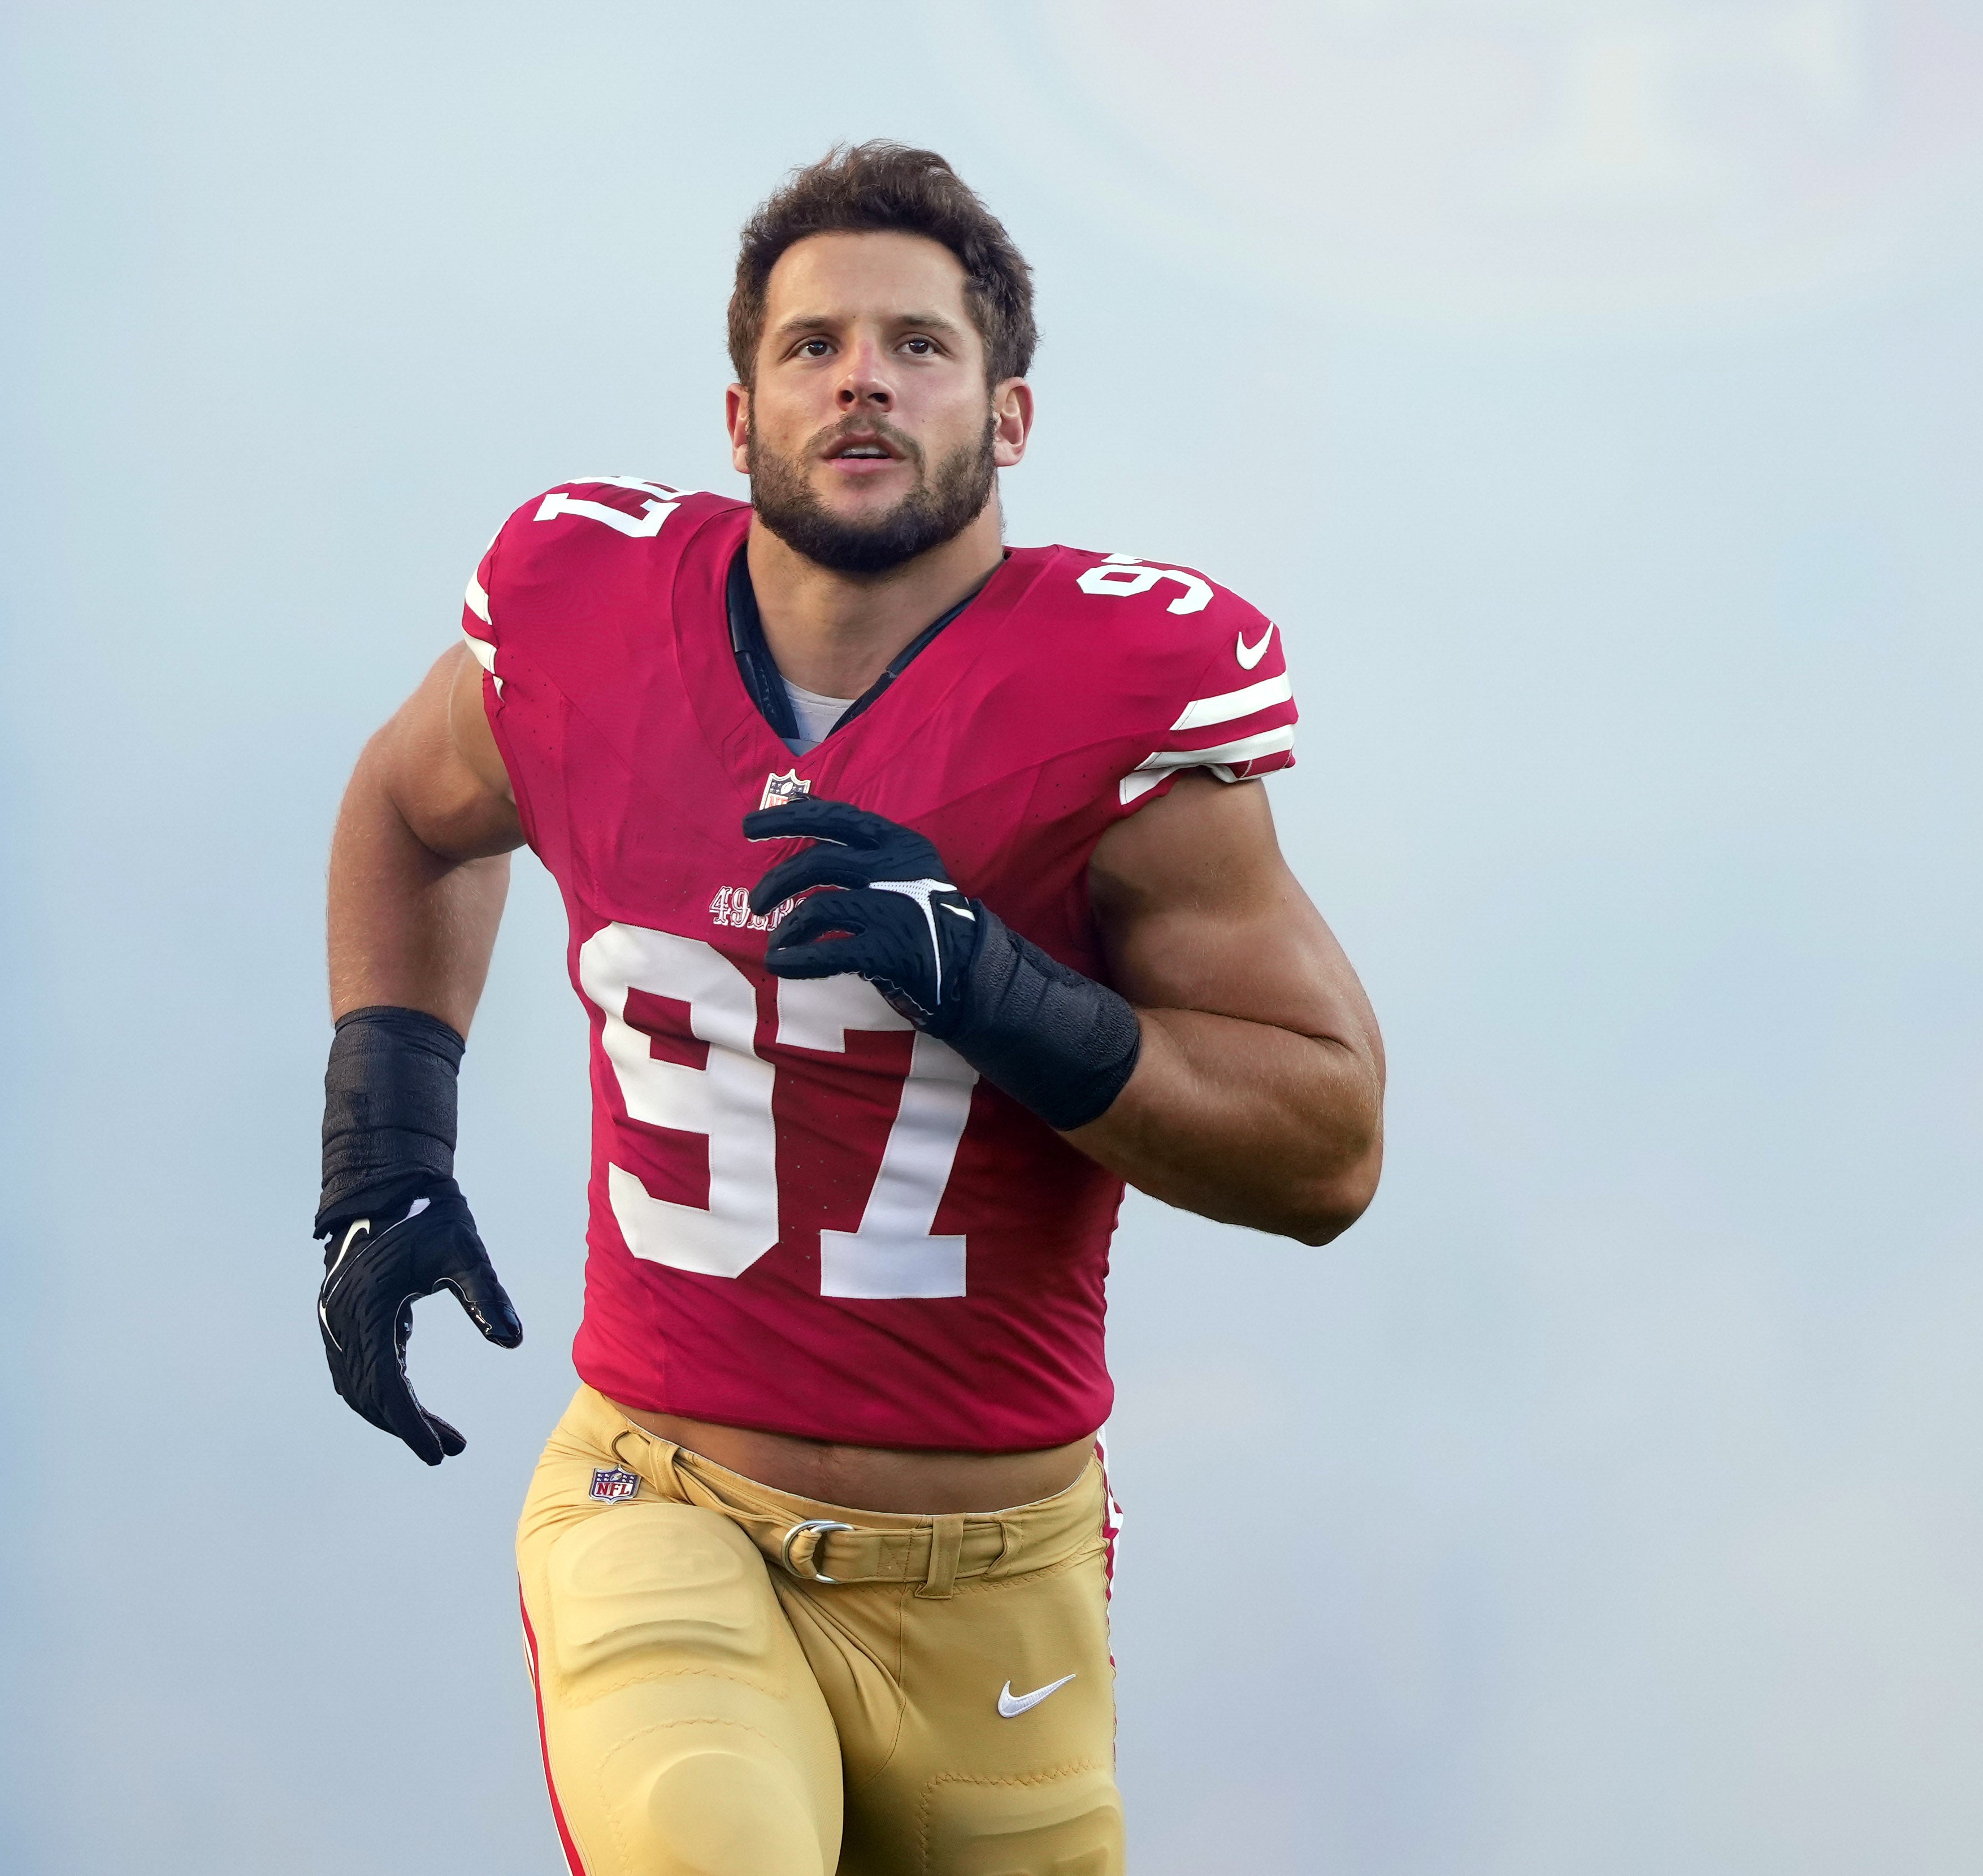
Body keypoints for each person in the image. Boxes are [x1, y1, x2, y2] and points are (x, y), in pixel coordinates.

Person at [313, 142, 1383, 1876]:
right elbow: (408, 808)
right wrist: (386, 1148)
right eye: (812, 345)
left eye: (917, 344)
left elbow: (1326, 1151)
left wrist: (992, 984)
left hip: (997, 1583)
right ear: (739, 415)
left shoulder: (1120, 698)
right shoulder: (587, 617)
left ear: (1010, 417)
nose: (861, 377)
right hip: (665, 1497)